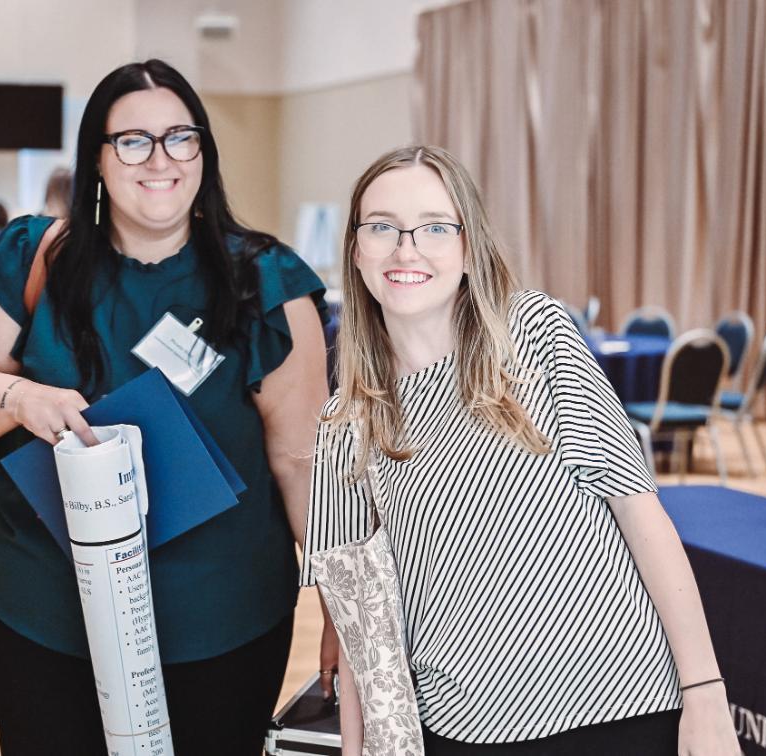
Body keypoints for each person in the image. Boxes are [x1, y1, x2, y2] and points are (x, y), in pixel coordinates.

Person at [0, 59, 331, 754]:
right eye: (133, 140)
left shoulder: (264, 283)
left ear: (204, 151)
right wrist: (20, 396)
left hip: (222, 621)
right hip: (46, 614)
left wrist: (341, 611)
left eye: (181, 137)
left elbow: (304, 467)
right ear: (99, 160)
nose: (160, 159)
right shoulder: (36, 260)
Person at [302, 146, 741, 755]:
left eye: (434, 226)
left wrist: (705, 693)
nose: (407, 249)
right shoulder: (345, 420)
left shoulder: (537, 335)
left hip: (617, 706)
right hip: (459, 726)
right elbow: (363, 628)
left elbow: (641, 516)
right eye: (382, 227)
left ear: (468, 244)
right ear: (355, 248)